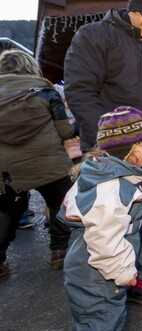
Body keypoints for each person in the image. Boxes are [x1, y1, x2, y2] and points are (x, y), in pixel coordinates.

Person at [64, 0, 142, 304]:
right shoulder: (95, 36)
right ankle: (95, 285)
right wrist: (111, 141)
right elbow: (80, 91)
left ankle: (129, 277)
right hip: (109, 154)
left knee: (136, 219)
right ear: (130, 8)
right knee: (103, 221)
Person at [58, 106, 142, 330]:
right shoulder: (112, 187)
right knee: (104, 321)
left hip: (90, 270)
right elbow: (104, 240)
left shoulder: (103, 174)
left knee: (93, 321)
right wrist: (124, 273)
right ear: (123, 150)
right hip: (100, 276)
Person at [0, 49, 74, 277]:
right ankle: (59, 252)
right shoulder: (45, 90)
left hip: (7, 170)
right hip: (49, 163)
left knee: (6, 211)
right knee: (59, 204)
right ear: (30, 66)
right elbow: (65, 131)